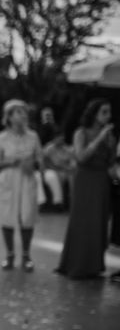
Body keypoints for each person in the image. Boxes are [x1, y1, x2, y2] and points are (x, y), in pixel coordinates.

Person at [57, 98, 115, 280]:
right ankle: (77, 265)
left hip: (102, 180)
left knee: (99, 221)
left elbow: (111, 162)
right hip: (85, 180)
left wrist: (111, 145)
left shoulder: (110, 135)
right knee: (83, 221)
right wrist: (99, 139)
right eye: (104, 112)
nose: (108, 116)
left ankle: (94, 267)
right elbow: (81, 157)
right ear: (94, 113)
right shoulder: (81, 132)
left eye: (109, 112)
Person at [0, 99, 43, 272]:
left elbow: (40, 160)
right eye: (19, 112)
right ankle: (10, 254)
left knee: (26, 217)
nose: (23, 115)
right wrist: (12, 161)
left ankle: (26, 255)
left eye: (25, 112)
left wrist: (34, 164)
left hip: (27, 180)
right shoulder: (1, 138)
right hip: (8, 181)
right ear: (10, 117)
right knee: (8, 216)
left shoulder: (33, 136)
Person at [41, 132, 76, 211]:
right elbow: (45, 162)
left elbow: (72, 161)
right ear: (54, 139)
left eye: (62, 138)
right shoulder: (49, 148)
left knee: (72, 176)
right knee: (53, 176)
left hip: (65, 170)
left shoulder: (67, 148)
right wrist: (57, 168)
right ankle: (58, 203)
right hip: (51, 170)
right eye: (59, 138)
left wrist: (69, 168)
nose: (61, 140)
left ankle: (73, 201)